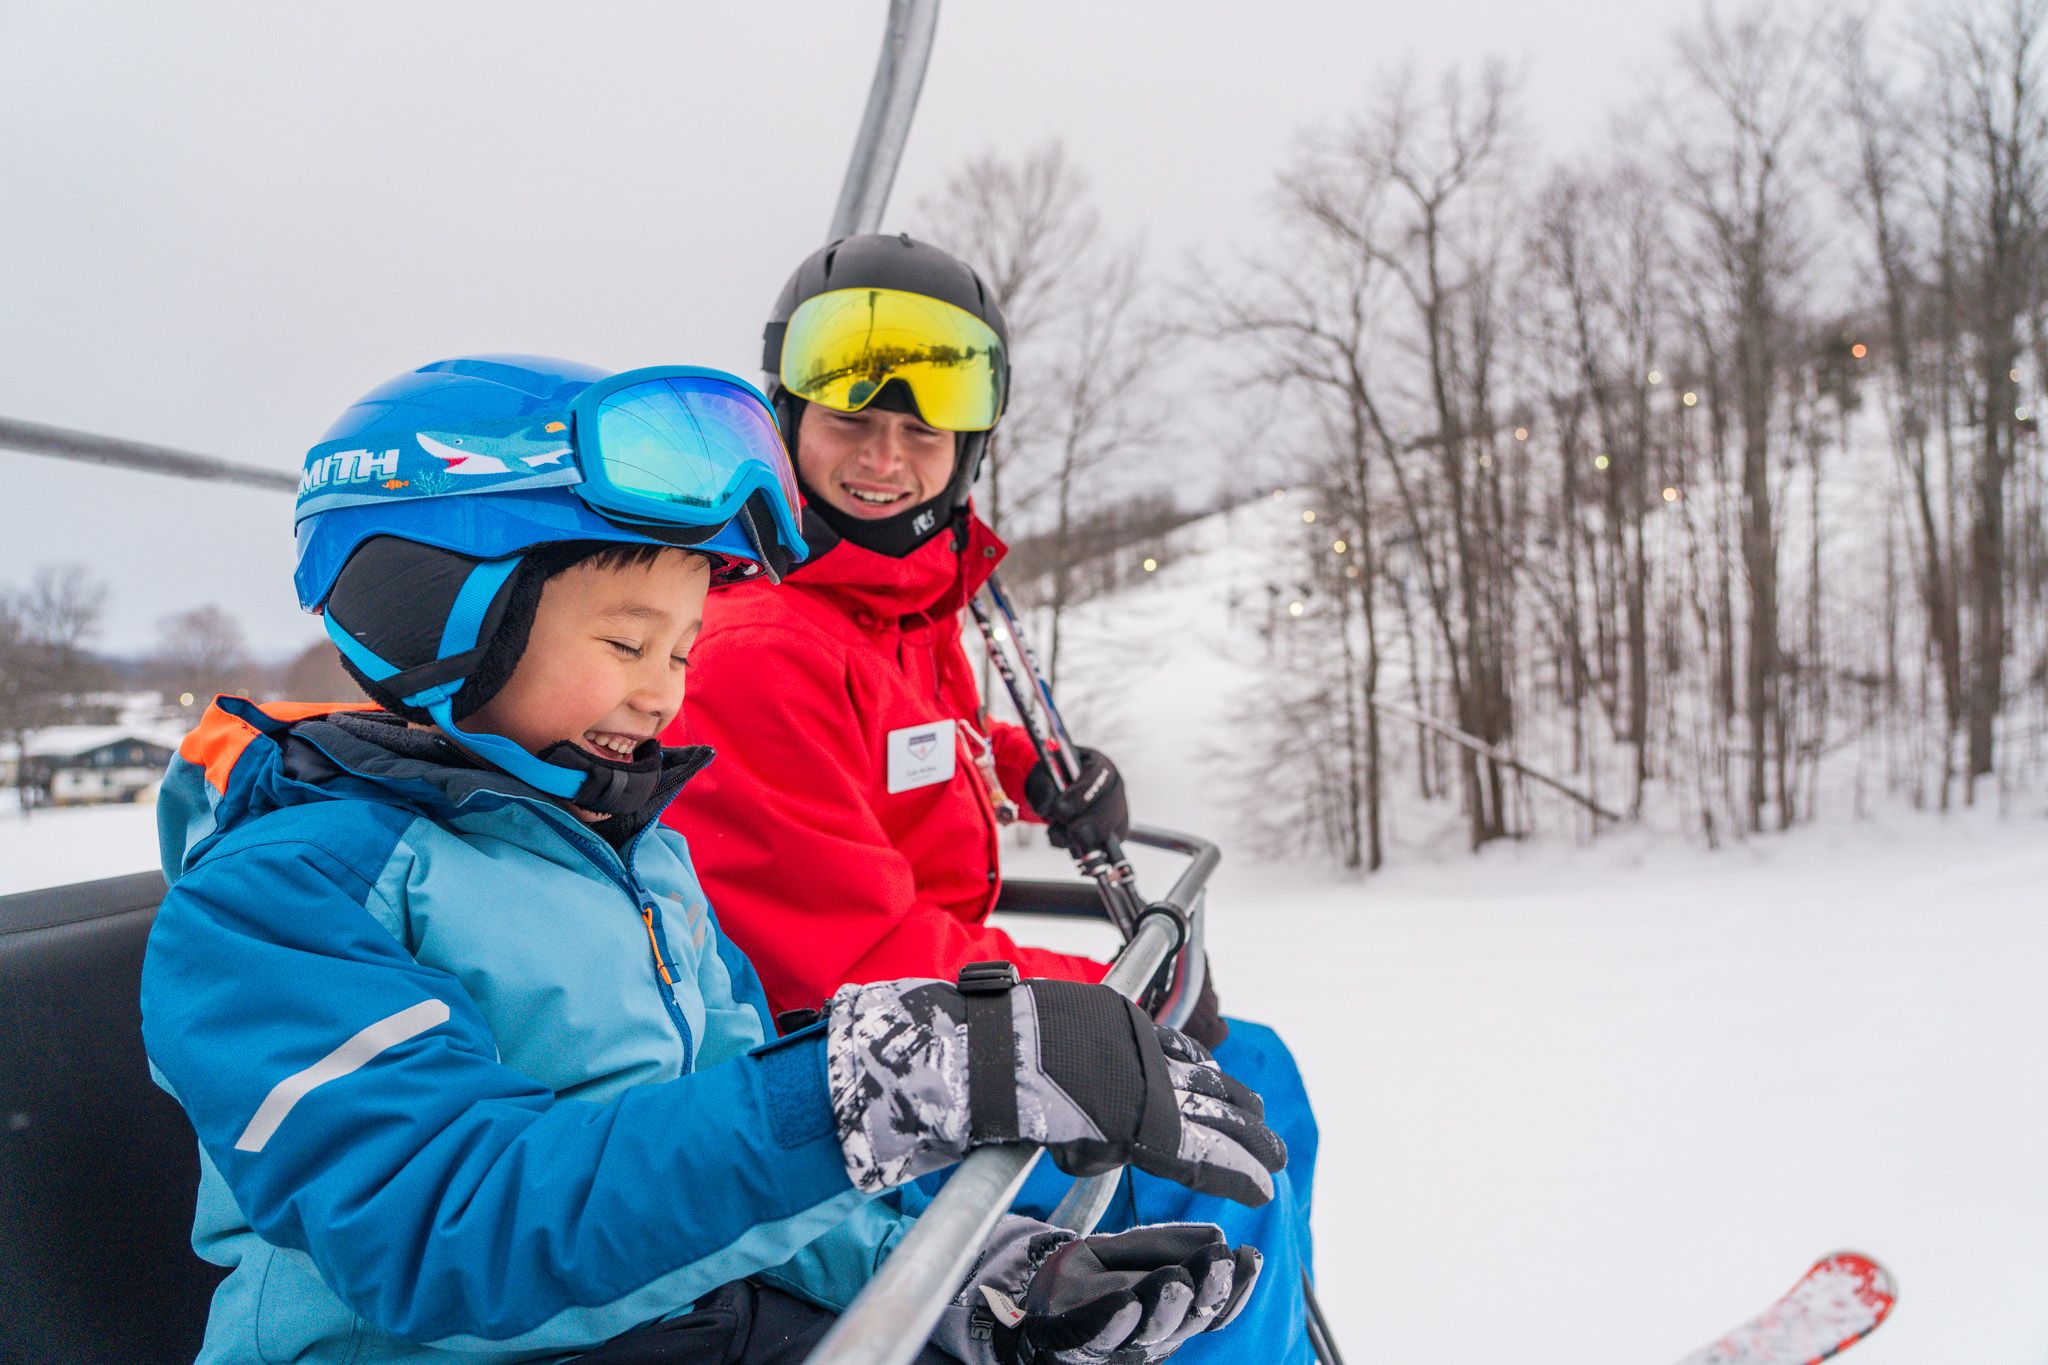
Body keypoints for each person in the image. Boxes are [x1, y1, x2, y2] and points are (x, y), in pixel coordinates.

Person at [139, 355, 1284, 1365]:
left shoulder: (636, 861)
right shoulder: (276, 900)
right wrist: (884, 1086)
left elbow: (730, 1165)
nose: (664, 690)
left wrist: (973, 1278)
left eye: (680, 648)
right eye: (626, 641)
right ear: (437, 609)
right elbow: (454, 1231)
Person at [663, 237, 1323, 1363]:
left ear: (965, 445)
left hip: (931, 1004)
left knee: (1247, 1083)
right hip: (852, 1073)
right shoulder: (762, 646)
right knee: (1238, 1089)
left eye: (923, 431)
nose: (887, 458)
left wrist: (1032, 769)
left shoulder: (890, 609)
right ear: (784, 423)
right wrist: (1121, 999)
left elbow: (908, 747)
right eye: (850, 424)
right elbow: (853, 952)